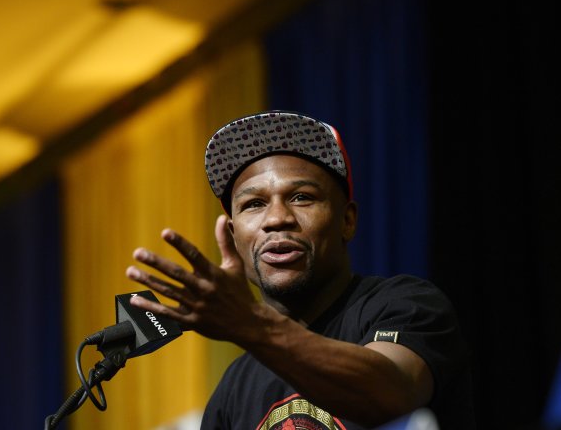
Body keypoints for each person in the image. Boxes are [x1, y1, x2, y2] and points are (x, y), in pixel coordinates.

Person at [126, 111, 475, 429]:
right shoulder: (234, 388)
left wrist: (250, 324)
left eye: (302, 197)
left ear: (347, 221)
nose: (277, 218)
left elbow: (389, 394)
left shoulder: (406, 305)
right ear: (233, 236)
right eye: (254, 204)